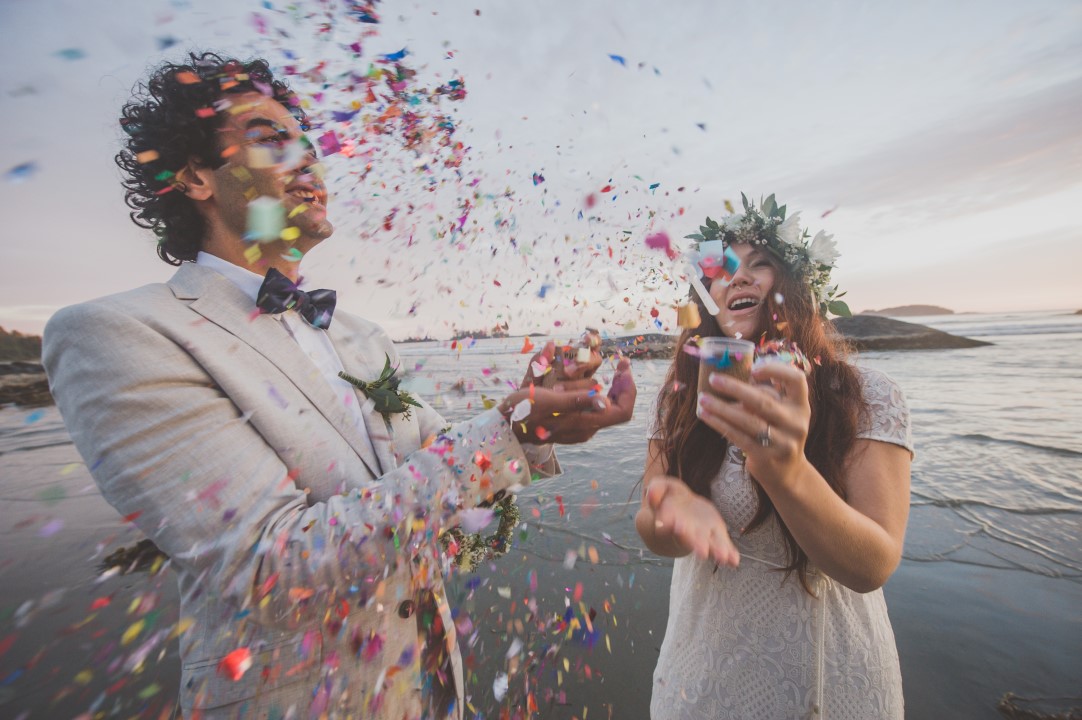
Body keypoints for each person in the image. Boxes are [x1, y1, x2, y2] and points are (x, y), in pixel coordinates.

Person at [42, 53, 635, 719]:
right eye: (270, 137)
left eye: (309, 144)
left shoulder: (363, 337)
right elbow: (271, 569)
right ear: (195, 176)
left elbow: (449, 475)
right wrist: (507, 435)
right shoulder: (118, 333)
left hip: (432, 692)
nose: (308, 161)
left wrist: (530, 416)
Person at [635, 194, 912, 719]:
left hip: (827, 682)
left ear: (796, 288)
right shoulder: (678, 400)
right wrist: (669, 510)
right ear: (707, 298)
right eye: (722, 269)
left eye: (759, 264)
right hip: (702, 678)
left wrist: (786, 471)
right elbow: (653, 531)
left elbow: (873, 565)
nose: (738, 276)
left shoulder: (866, 396)